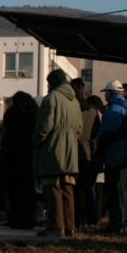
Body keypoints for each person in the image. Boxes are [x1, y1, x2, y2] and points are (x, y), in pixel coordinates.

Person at [33, 69, 83, 237]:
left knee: (52, 187)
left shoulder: (51, 98)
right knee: (68, 187)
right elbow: (80, 129)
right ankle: (70, 226)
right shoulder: (74, 101)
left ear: (52, 83)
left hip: (53, 149)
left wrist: (36, 141)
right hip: (71, 149)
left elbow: (45, 126)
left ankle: (55, 227)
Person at [0, 91, 39, 229]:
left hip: (11, 156)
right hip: (29, 156)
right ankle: (28, 219)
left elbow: (4, 132)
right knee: (27, 190)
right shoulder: (35, 114)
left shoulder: (12, 113)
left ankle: (13, 219)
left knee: (11, 190)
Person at [96, 80, 127, 234]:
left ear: (111, 93)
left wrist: (99, 148)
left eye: (106, 92)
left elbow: (108, 132)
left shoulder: (115, 109)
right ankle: (124, 221)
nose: (105, 95)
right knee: (122, 189)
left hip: (116, 154)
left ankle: (117, 224)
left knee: (113, 189)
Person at [71, 78, 101, 227]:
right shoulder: (93, 111)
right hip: (87, 152)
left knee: (74, 187)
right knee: (87, 187)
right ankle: (91, 217)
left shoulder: (72, 107)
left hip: (72, 151)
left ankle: (77, 218)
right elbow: (97, 133)